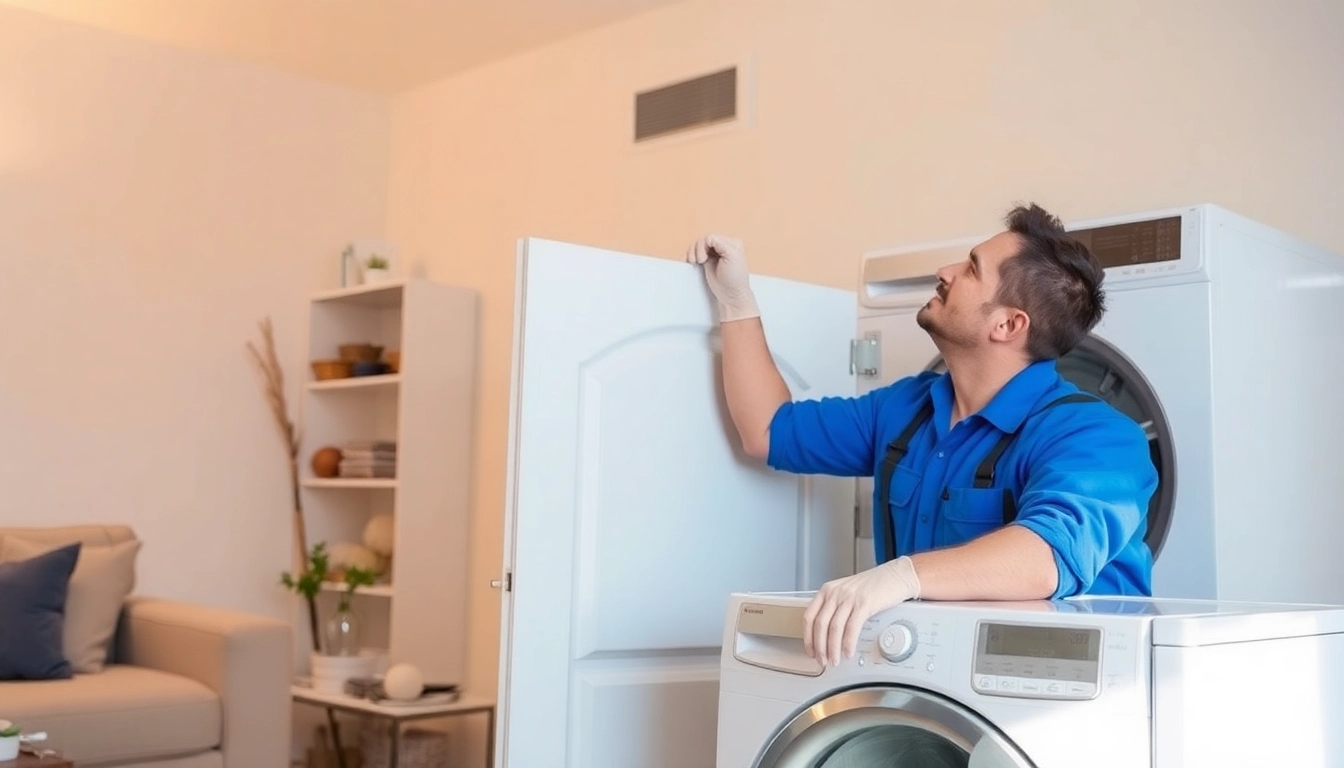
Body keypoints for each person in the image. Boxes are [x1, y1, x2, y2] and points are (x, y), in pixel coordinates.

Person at [686, 203, 1157, 669]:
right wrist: (736, 299)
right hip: (931, 676)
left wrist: (900, 576)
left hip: (1062, 690)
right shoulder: (907, 409)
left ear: (1008, 324)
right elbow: (767, 430)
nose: (946, 271)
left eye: (971, 269)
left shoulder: (1100, 436)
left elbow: (1045, 556)